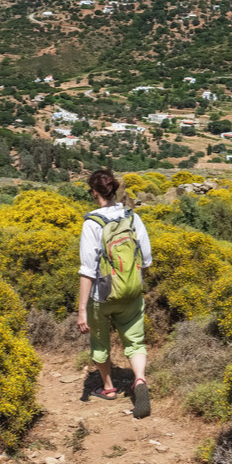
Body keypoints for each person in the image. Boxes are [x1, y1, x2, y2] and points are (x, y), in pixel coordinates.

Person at [77, 168, 153, 418]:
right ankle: (139, 380)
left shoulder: (92, 223)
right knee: (135, 341)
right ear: (115, 189)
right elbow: (146, 259)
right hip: (131, 292)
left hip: (102, 295)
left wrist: (81, 311)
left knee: (100, 341)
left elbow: (87, 270)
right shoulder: (132, 217)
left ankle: (108, 388)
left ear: (93, 192)